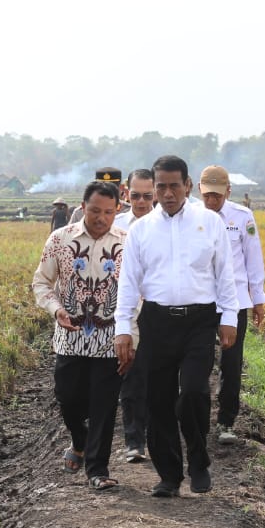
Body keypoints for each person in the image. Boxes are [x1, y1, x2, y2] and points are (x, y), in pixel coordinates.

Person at [115, 156, 239, 498]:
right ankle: (169, 475)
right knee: (158, 402)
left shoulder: (209, 222)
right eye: (161, 186)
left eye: (174, 185)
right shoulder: (141, 230)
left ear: (187, 186)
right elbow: (128, 282)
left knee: (195, 393)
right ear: (153, 189)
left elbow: (224, 273)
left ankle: (198, 460)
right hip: (156, 322)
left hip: (200, 320)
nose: (167, 193)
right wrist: (123, 328)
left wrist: (228, 318)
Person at [31, 180, 128, 491]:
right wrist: (56, 308)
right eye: (95, 210)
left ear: (117, 211)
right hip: (70, 338)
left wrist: (132, 335)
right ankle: (79, 440)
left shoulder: (129, 243)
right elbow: (42, 284)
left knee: (104, 404)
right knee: (67, 397)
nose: (101, 217)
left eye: (109, 212)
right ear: (83, 207)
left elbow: (138, 293)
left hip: (110, 339)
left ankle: (98, 470)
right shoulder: (60, 240)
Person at [198, 166, 265, 446]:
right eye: (207, 195)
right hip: (201, 300)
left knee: (231, 362)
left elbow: (254, 259)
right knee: (198, 361)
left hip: (235, 301)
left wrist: (258, 299)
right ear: (198, 191)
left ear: (228, 191)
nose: (211, 201)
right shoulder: (191, 216)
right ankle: (197, 419)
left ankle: (226, 422)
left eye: (217, 195)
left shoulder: (242, 217)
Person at [111, 168, 155, 463]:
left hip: (158, 310)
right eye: (135, 195)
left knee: (157, 378)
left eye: (147, 196)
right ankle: (134, 441)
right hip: (126, 309)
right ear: (126, 193)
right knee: (130, 374)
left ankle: (156, 435)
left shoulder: (166, 225)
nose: (141, 202)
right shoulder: (115, 226)